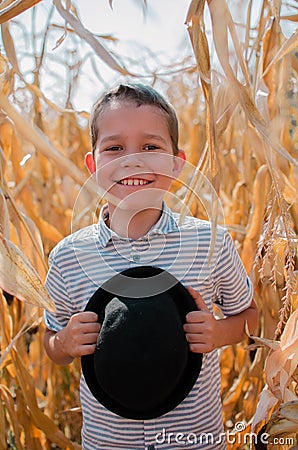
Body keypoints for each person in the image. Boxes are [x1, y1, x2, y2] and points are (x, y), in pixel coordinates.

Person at [44, 83, 258, 450]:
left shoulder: (210, 243)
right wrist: (64, 343)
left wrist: (220, 334)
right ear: (93, 166)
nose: (132, 160)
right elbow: (50, 340)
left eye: (150, 147)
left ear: (178, 163)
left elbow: (253, 317)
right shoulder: (68, 257)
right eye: (114, 148)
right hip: (107, 442)